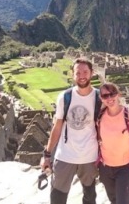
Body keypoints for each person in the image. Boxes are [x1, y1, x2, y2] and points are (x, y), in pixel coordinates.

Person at [41, 58, 100, 204]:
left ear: (92, 73)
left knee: (90, 197)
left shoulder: (99, 97)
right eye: (78, 72)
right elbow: (57, 127)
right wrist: (47, 154)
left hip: (89, 157)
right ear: (72, 75)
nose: (82, 76)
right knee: (57, 198)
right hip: (65, 155)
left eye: (85, 72)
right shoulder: (65, 97)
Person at [97, 82, 129, 204]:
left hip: (125, 168)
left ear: (118, 94)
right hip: (105, 168)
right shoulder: (100, 117)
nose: (109, 98)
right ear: (101, 99)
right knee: (113, 200)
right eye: (105, 96)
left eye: (112, 94)